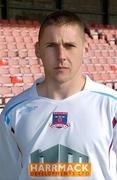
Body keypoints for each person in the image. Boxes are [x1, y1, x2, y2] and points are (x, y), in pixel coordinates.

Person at [0, 10, 117, 180]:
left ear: (85, 49)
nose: (61, 56)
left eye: (69, 46)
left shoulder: (111, 106)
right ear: (38, 50)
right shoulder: (13, 113)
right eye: (51, 46)